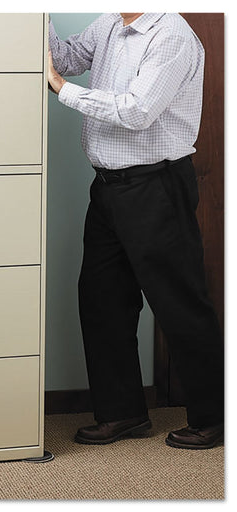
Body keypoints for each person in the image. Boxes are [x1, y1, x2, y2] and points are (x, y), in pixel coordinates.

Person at [47, 13, 224, 449]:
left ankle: (215, 417)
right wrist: (39, 16)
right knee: (102, 301)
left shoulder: (171, 34)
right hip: (108, 187)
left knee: (179, 303)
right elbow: (64, 59)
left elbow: (137, 110)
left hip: (155, 186)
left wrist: (63, 90)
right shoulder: (109, 23)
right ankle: (122, 413)